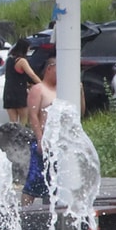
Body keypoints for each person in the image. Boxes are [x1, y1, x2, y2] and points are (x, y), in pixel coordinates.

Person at [23, 56, 80, 204]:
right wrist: (40, 138)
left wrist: (80, 92)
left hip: (61, 143)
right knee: (34, 182)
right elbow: (33, 116)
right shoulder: (38, 89)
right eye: (59, 70)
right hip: (44, 141)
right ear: (50, 68)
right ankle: (24, 214)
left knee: (57, 183)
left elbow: (79, 112)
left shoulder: (63, 91)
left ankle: (54, 212)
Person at [2, 37, 41, 125]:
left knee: (13, 122)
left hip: (8, 92)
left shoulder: (9, 60)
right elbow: (32, 75)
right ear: (24, 48)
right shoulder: (22, 61)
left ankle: (12, 137)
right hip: (19, 92)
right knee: (23, 120)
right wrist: (41, 84)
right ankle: (22, 137)